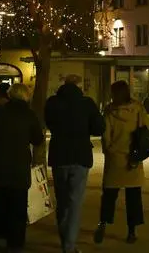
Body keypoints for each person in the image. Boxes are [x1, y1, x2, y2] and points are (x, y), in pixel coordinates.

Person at [45, 75, 105, 253]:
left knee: (62, 200)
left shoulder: (52, 102)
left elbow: (49, 123)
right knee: (75, 202)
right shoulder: (86, 103)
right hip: (80, 155)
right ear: (79, 86)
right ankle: (69, 245)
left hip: (59, 155)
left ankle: (65, 238)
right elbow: (98, 127)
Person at [0, 83, 45, 252]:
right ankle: (15, 243)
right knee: (18, 206)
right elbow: (38, 139)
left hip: (0, 164)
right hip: (19, 166)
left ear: (10, 96)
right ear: (26, 96)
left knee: (0, 202)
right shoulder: (29, 115)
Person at [94, 80, 149, 245]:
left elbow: (106, 135)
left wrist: (109, 150)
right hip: (133, 158)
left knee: (109, 195)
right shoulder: (137, 108)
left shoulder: (110, 111)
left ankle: (103, 222)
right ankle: (132, 231)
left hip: (115, 157)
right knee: (133, 196)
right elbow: (144, 128)